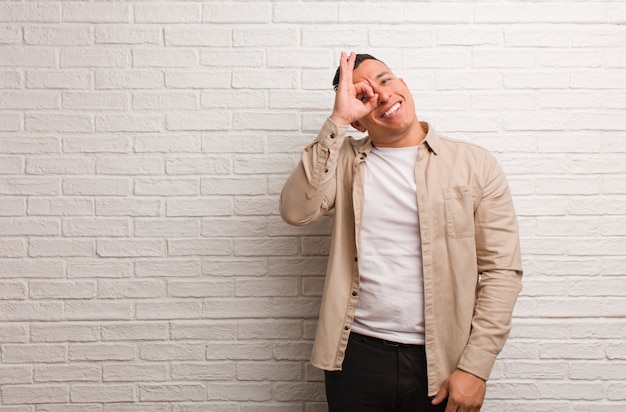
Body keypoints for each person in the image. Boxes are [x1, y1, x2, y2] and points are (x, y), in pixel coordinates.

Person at [279, 52, 523, 412]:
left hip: (442, 362)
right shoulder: (343, 158)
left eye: (385, 79)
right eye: (364, 95)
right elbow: (297, 211)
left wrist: (476, 367)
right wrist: (338, 120)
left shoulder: (475, 164)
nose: (381, 95)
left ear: (403, 84)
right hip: (355, 358)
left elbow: (502, 271)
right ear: (359, 120)